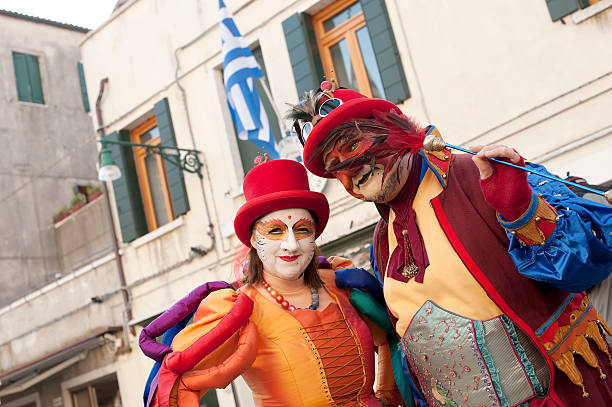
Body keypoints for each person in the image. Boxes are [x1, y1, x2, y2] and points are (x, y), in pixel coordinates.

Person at [288, 81, 612, 406]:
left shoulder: (480, 175)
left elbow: (586, 266)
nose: (349, 170)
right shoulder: (381, 241)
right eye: (334, 165)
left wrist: (523, 212)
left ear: (392, 129)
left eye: (353, 144)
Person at [139, 158, 405, 407]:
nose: (291, 244)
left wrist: (385, 395)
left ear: (315, 236)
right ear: (254, 240)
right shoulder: (236, 308)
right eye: (275, 231)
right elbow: (173, 388)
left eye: (302, 229)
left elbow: (391, 339)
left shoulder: (341, 284)